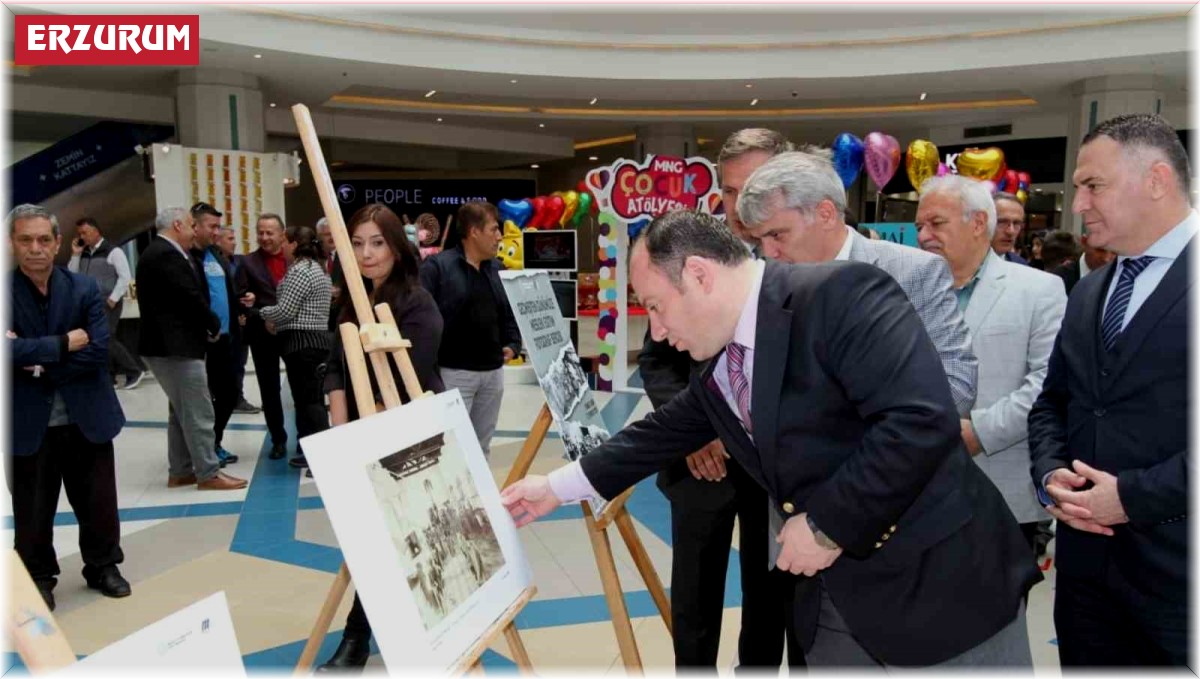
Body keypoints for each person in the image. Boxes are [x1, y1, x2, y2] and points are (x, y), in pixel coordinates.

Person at [502, 210, 1040, 668]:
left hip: (941, 595)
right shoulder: (723, 358)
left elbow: (920, 422)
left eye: (657, 307)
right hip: (833, 608)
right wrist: (555, 487)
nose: (658, 333)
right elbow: (663, 432)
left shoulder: (839, 294)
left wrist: (829, 525)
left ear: (698, 273)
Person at [1029, 113, 1193, 667]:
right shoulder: (1088, 291)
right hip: (1085, 579)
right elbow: (1055, 400)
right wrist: (1052, 474)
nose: (1077, 203)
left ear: (1156, 181)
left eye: (1092, 185)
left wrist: (1131, 497)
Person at [637, 128, 803, 670]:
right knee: (695, 593)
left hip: (776, 469)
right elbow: (659, 357)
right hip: (701, 462)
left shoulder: (806, 264)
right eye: (730, 191)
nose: (739, 205)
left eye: (752, 188)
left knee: (772, 592)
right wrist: (699, 426)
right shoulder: (693, 249)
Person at [738, 150, 977, 415]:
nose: (769, 252)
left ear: (826, 214)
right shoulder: (767, 283)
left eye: (776, 235)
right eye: (760, 240)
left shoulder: (913, 272)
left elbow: (957, 385)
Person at [318, 203, 445, 671]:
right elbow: (335, 366)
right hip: (359, 437)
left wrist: (366, 429)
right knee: (380, 542)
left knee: (396, 541)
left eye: (377, 243)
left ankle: (359, 635)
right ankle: (372, 632)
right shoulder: (353, 298)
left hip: (409, 439)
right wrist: (342, 428)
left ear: (396, 246)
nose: (367, 253)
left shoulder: (416, 301)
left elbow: (407, 377)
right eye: (356, 243)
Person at [916, 176, 1066, 554]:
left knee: (1001, 613)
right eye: (920, 226)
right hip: (916, 493)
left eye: (936, 224)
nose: (923, 236)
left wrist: (978, 432)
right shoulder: (906, 289)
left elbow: (1048, 383)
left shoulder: (1037, 290)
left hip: (1000, 491)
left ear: (978, 223)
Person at [9, 204, 131, 611]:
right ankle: (38, 577)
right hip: (27, 421)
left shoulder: (83, 289)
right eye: (25, 240)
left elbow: (97, 352)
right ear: (12, 244)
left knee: (97, 501)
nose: (36, 248)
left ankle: (102, 566)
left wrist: (32, 359)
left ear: (59, 243)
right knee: (32, 510)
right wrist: (61, 345)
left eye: (44, 239)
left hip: (87, 416)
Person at [136, 206, 248, 491]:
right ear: (177, 225)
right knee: (199, 411)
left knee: (180, 411)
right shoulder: (165, 254)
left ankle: (181, 471)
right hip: (176, 347)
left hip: (170, 346)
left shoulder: (160, 252)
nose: (194, 230)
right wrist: (212, 323)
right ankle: (208, 473)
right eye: (190, 225)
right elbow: (189, 297)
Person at [419, 201, 520, 456]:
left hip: (493, 374)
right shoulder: (437, 268)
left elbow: (508, 312)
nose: (499, 236)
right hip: (453, 373)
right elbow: (421, 320)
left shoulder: (498, 269)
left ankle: (483, 497)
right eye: (494, 229)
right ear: (474, 232)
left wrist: (513, 344)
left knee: (481, 446)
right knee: (452, 447)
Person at [253, 225, 332, 469]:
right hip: (314, 341)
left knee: (308, 402)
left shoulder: (300, 271)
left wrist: (259, 312)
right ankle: (314, 452)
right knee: (312, 400)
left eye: (285, 242)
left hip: (303, 344)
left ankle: (320, 455)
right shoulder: (316, 268)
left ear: (295, 244)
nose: (282, 247)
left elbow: (286, 310)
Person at [190, 203, 243, 469]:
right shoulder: (189, 257)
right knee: (204, 399)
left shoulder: (216, 255)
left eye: (218, 227)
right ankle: (206, 448)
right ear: (194, 226)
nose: (216, 232)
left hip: (226, 338)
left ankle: (215, 441)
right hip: (203, 342)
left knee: (229, 392)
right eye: (211, 226)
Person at [68, 216, 144, 389]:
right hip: (90, 303)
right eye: (79, 233)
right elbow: (72, 274)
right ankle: (110, 377)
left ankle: (134, 371)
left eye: (84, 232)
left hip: (108, 302)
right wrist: (76, 254)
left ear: (96, 231)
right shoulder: (84, 253)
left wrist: (113, 298)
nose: (82, 237)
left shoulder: (113, 251)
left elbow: (125, 276)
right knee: (98, 339)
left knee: (107, 337)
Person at [238, 213, 290, 460]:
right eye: (260, 232)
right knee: (269, 391)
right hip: (263, 335)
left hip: (294, 333)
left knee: (303, 390)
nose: (264, 237)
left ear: (282, 234)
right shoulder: (247, 263)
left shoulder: (295, 260)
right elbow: (242, 301)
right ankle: (278, 439)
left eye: (270, 232)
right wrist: (263, 316)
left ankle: (306, 441)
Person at [217, 226, 262, 414]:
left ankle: (237, 398)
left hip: (242, 321)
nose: (234, 242)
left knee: (239, 361)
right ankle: (222, 398)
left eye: (234, 238)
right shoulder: (212, 263)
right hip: (222, 324)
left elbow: (249, 287)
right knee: (222, 365)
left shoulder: (240, 262)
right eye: (229, 238)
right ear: (218, 240)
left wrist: (251, 297)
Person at [1051, 231, 1115, 296]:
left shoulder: (1121, 281)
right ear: (1084, 242)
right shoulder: (1059, 279)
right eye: (1100, 250)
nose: (1106, 259)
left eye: (1114, 252)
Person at [991, 192, 1029, 264]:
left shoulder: (1021, 265)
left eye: (1016, 223)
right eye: (1002, 222)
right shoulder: (965, 264)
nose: (1011, 231)